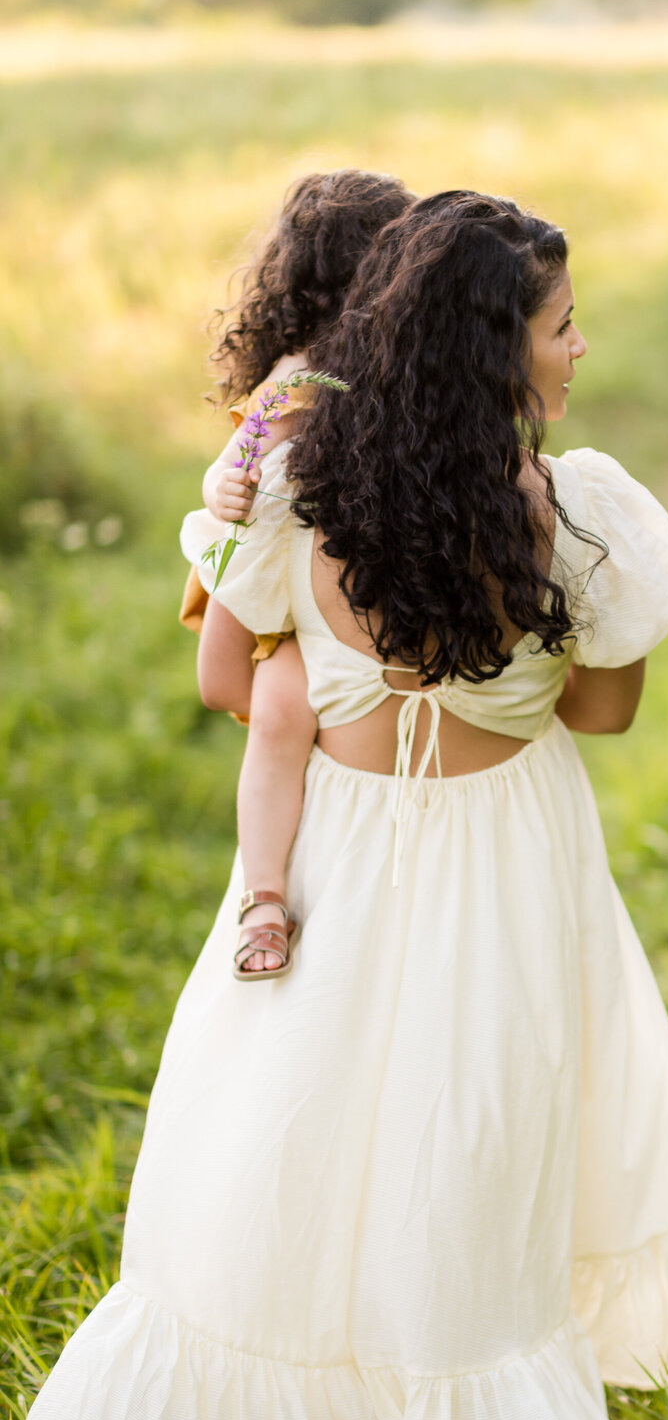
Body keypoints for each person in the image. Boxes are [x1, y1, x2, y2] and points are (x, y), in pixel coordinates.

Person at [13, 190, 668, 1420]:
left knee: (314, 1135)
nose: (581, 343)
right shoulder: (578, 512)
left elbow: (235, 675)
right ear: (497, 352)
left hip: (344, 856)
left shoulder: (300, 491)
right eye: (562, 326)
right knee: (473, 1147)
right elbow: (602, 709)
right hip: (509, 860)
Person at [184, 169, 415, 979]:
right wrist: (226, 491)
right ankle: (268, 899)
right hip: (277, 591)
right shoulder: (296, 376)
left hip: (346, 579)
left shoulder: (395, 365)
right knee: (282, 710)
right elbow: (230, 468)